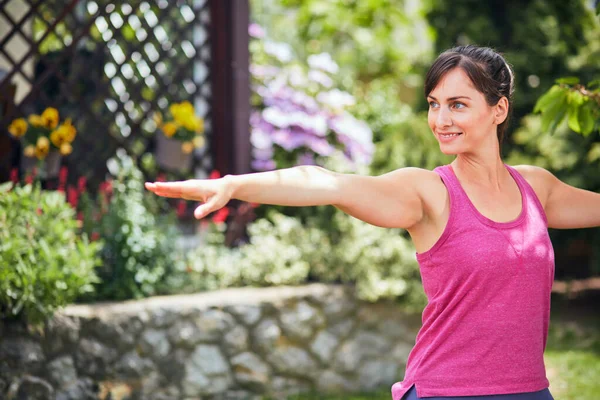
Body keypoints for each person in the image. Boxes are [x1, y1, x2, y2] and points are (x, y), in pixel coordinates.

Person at [145, 45, 600, 399]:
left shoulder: (534, 188)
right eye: (433, 103)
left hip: (530, 390)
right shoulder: (428, 193)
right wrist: (237, 184)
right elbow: (327, 183)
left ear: (498, 109)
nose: (440, 119)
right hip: (449, 391)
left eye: (457, 105)